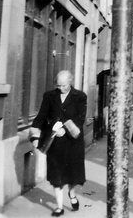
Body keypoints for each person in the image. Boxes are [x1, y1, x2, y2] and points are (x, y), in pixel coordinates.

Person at [30, 70, 87, 216]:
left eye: (63, 86)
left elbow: (80, 118)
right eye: (58, 85)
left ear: (71, 82)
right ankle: (59, 207)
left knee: (71, 174)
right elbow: (42, 115)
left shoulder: (80, 97)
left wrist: (66, 130)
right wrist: (35, 134)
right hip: (54, 141)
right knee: (56, 174)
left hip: (72, 142)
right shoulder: (49, 96)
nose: (60, 88)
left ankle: (72, 194)